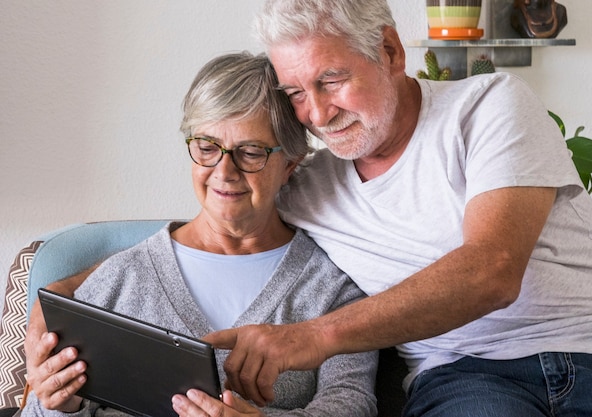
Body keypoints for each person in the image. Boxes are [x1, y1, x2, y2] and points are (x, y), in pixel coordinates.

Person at [23, 1, 592, 416]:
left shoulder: (489, 107)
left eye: (331, 80)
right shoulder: (310, 180)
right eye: (294, 92)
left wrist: (313, 338)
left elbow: (492, 268)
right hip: (471, 380)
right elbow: (214, 213)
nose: (315, 113)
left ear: (390, 50)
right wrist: (54, 297)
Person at [21, 51, 377, 417]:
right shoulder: (120, 279)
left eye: (250, 152)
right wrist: (60, 406)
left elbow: (353, 404)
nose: (224, 172)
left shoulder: (333, 288)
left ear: (290, 163)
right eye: (207, 147)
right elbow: (35, 410)